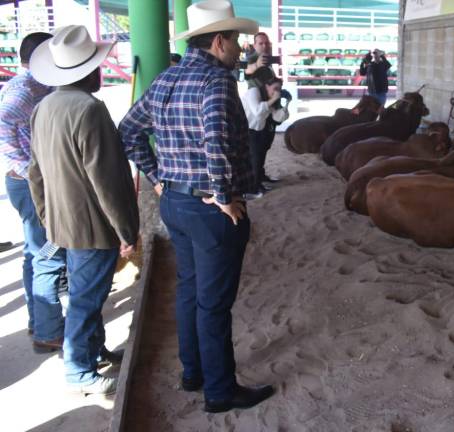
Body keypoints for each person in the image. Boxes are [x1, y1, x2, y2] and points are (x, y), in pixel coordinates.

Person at [119, 0, 275, 413]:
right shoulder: (216, 81)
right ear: (219, 41)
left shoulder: (167, 77)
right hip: (210, 210)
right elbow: (217, 142)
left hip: (175, 203)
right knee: (214, 303)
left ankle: (194, 373)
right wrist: (224, 196)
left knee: (190, 291)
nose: (240, 49)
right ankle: (220, 391)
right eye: (237, 41)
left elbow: (129, 131)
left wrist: (156, 178)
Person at [27, 24, 139, 395]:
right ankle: (79, 372)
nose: (101, 69)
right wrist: (126, 229)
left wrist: (47, 218)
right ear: (87, 71)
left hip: (64, 221)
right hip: (93, 225)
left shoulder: (44, 107)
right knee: (86, 299)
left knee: (84, 292)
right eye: (97, 64)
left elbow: (35, 173)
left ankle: (94, 351)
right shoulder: (89, 109)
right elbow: (107, 180)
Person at [0, 31, 68, 351]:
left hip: (31, 179)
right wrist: (29, 169)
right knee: (47, 255)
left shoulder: (42, 82)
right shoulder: (23, 89)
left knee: (35, 253)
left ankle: (39, 321)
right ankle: (49, 331)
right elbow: (3, 128)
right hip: (29, 183)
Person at [241, 68, 289, 199]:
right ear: (266, 86)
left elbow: (277, 118)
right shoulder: (253, 92)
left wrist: (285, 105)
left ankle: (259, 182)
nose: (277, 91)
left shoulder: (271, 97)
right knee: (254, 158)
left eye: (279, 88)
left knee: (260, 157)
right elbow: (257, 111)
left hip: (259, 130)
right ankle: (252, 188)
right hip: (246, 129)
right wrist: (273, 99)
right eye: (275, 88)